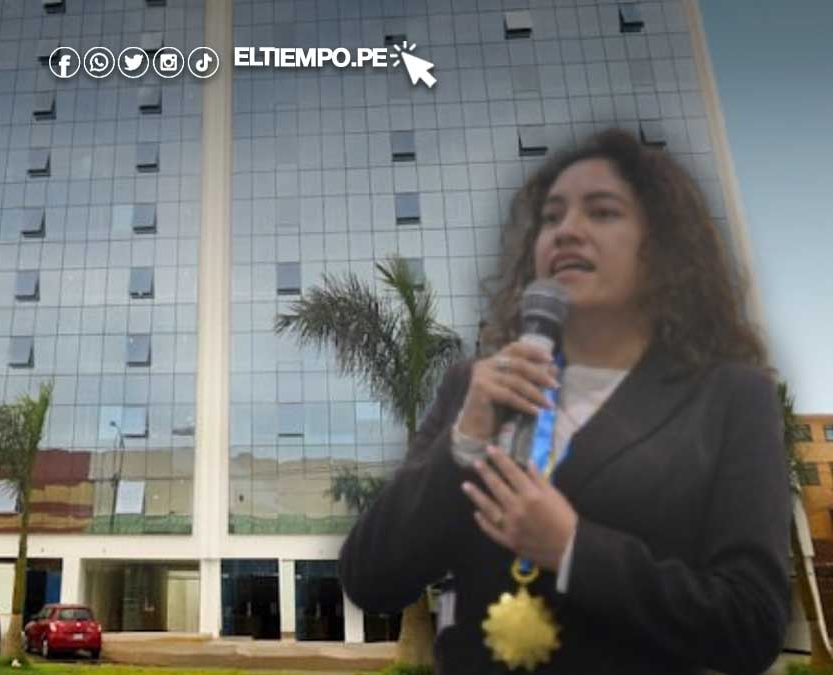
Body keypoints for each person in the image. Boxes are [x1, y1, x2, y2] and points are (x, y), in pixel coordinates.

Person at [338, 128, 790, 674]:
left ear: (664, 248)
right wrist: (465, 442)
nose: (567, 231)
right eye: (551, 218)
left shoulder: (730, 397)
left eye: (601, 212)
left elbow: (751, 622)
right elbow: (370, 579)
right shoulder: (472, 387)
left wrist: (574, 549)